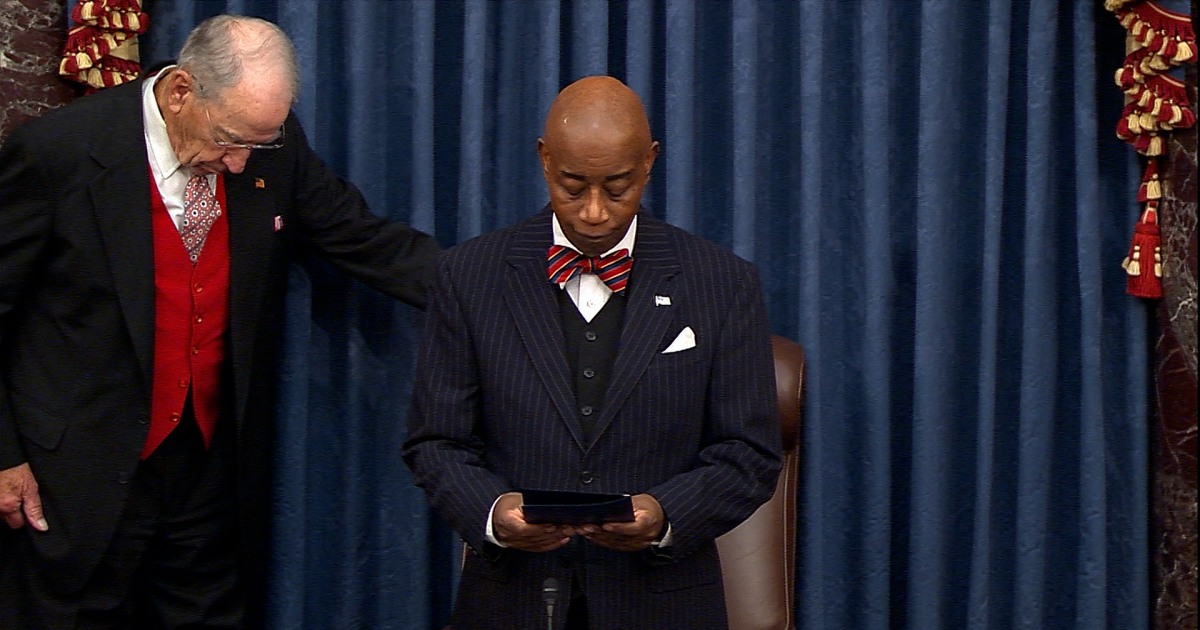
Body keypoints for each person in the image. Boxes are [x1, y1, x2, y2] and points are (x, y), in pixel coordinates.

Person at [0, 14, 439, 629]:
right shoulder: (60, 153)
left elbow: (367, 241)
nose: (238, 164)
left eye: (256, 144)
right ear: (181, 91)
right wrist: (5, 455)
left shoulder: (270, 147)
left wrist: (501, 288)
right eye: (230, 138)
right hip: (74, 480)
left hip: (205, 474)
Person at [402, 75, 781, 629]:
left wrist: (665, 514)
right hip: (511, 602)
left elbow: (749, 451)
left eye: (618, 187)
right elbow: (435, 440)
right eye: (573, 186)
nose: (595, 212)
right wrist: (492, 513)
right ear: (544, 160)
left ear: (650, 162)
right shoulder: (469, 276)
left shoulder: (722, 283)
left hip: (663, 604)